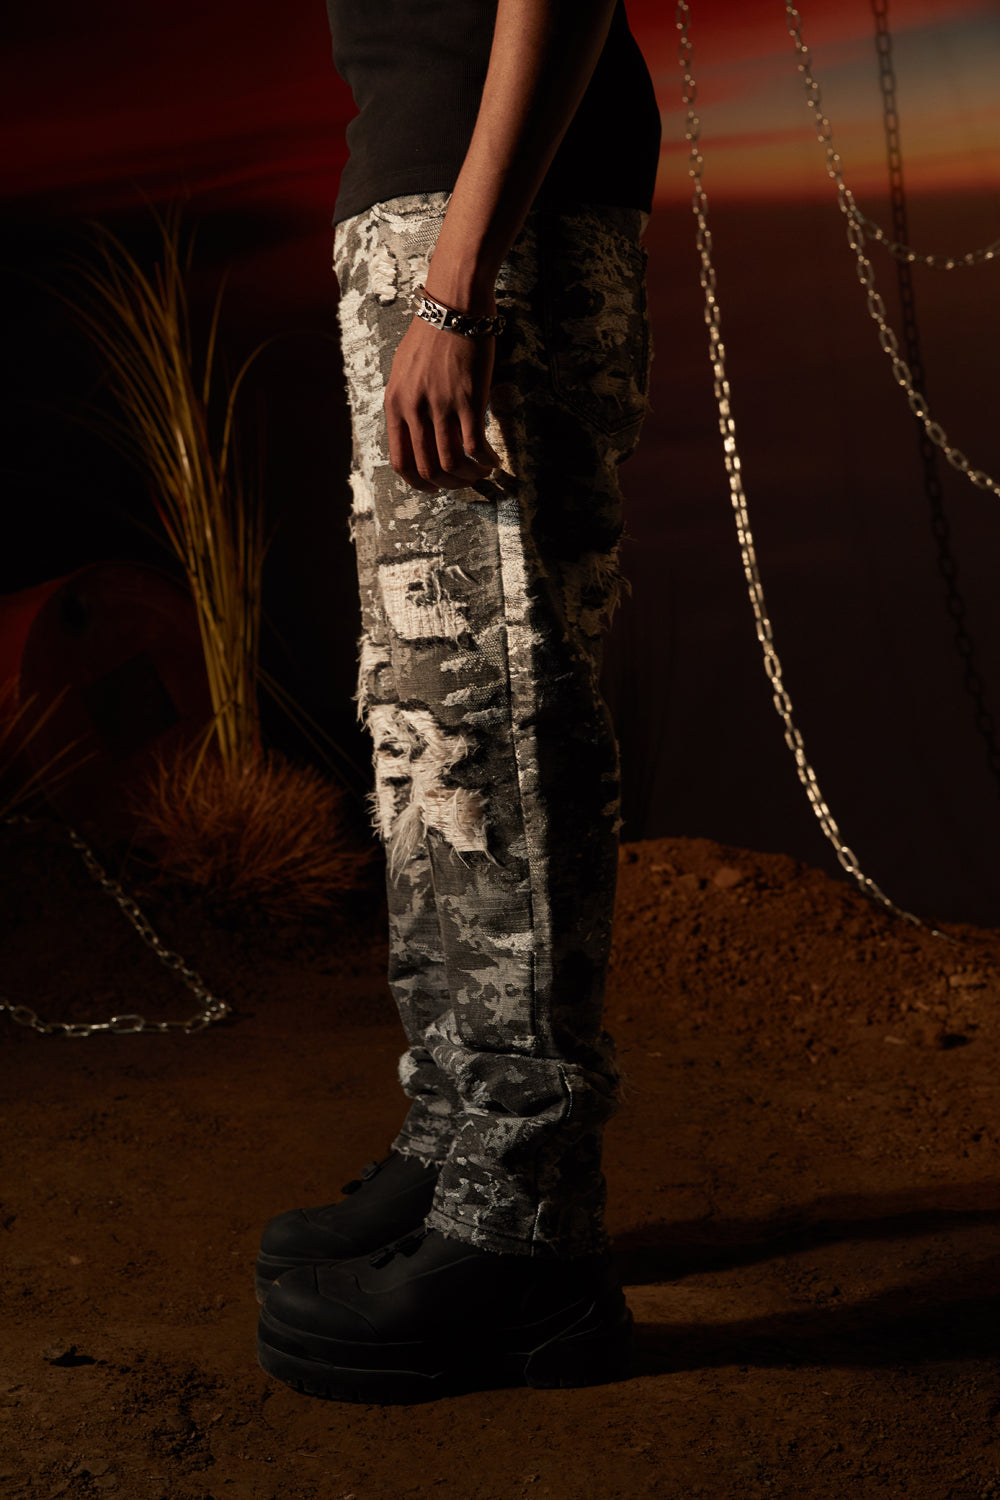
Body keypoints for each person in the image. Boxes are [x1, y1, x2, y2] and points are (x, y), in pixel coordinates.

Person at [255, 0, 661, 1403]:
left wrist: (456, 286)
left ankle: (524, 1227)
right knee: (430, 729)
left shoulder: (469, 263)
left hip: (482, 229)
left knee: (488, 724)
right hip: (442, 218)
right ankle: (461, 1142)